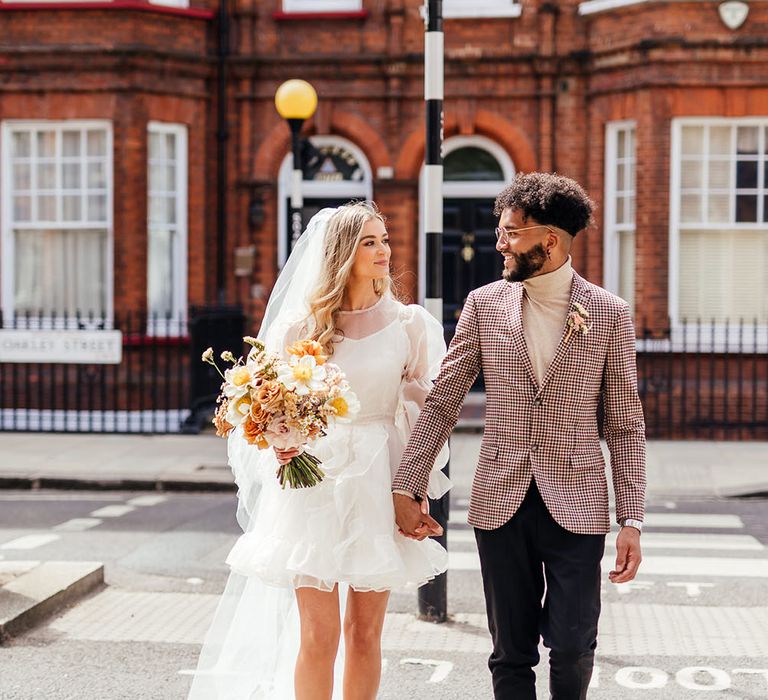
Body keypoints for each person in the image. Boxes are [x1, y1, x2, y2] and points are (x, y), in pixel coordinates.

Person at [392, 173, 647, 700]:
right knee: (510, 653)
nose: (499, 243)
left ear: (549, 239)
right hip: (500, 501)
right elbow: (443, 400)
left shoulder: (609, 313)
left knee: (575, 644)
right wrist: (407, 485)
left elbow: (623, 423)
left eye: (511, 232)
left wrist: (632, 519)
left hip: (577, 501)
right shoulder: (484, 304)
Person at [188, 202, 449, 700]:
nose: (383, 250)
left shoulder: (410, 324)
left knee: (365, 634)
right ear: (343, 253)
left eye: (384, 239)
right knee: (318, 634)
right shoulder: (301, 328)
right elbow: (267, 407)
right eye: (369, 242)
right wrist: (280, 442)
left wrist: (415, 489)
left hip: (379, 478)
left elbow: (426, 417)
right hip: (314, 485)